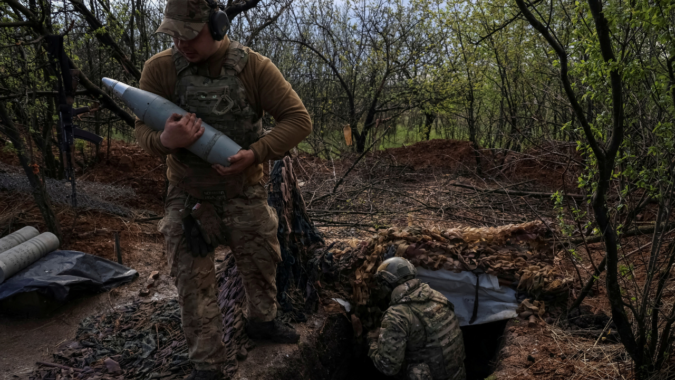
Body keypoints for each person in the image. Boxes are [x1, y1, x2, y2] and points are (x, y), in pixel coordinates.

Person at [134, 0, 312, 378]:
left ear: (216, 26)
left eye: (190, 33)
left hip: (242, 191)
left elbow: (298, 120)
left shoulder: (255, 68)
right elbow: (142, 130)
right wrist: (166, 140)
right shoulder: (160, 69)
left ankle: (262, 323)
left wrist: (256, 153)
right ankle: (208, 364)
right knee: (193, 287)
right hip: (188, 196)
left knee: (262, 262)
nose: (181, 43)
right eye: (174, 34)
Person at [368, 257, 466, 380]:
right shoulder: (436, 296)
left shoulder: (397, 315)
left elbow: (388, 367)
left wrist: (372, 342)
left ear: (386, 285)